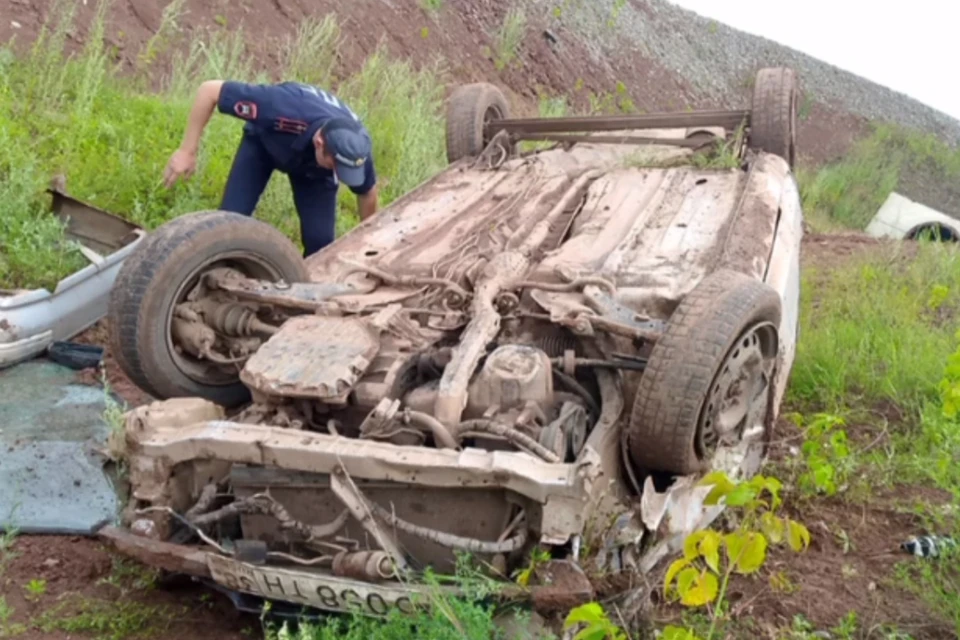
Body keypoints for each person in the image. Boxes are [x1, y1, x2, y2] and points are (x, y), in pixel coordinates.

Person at [163, 79, 379, 256]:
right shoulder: (279, 105)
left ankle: (307, 298)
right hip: (263, 146)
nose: (340, 174)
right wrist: (187, 151)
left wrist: (367, 242)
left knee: (320, 244)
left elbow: (367, 192)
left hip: (314, 172)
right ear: (320, 144)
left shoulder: (356, 147)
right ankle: (214, 275)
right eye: (337, 166)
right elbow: (209, 90)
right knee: (229, 220)